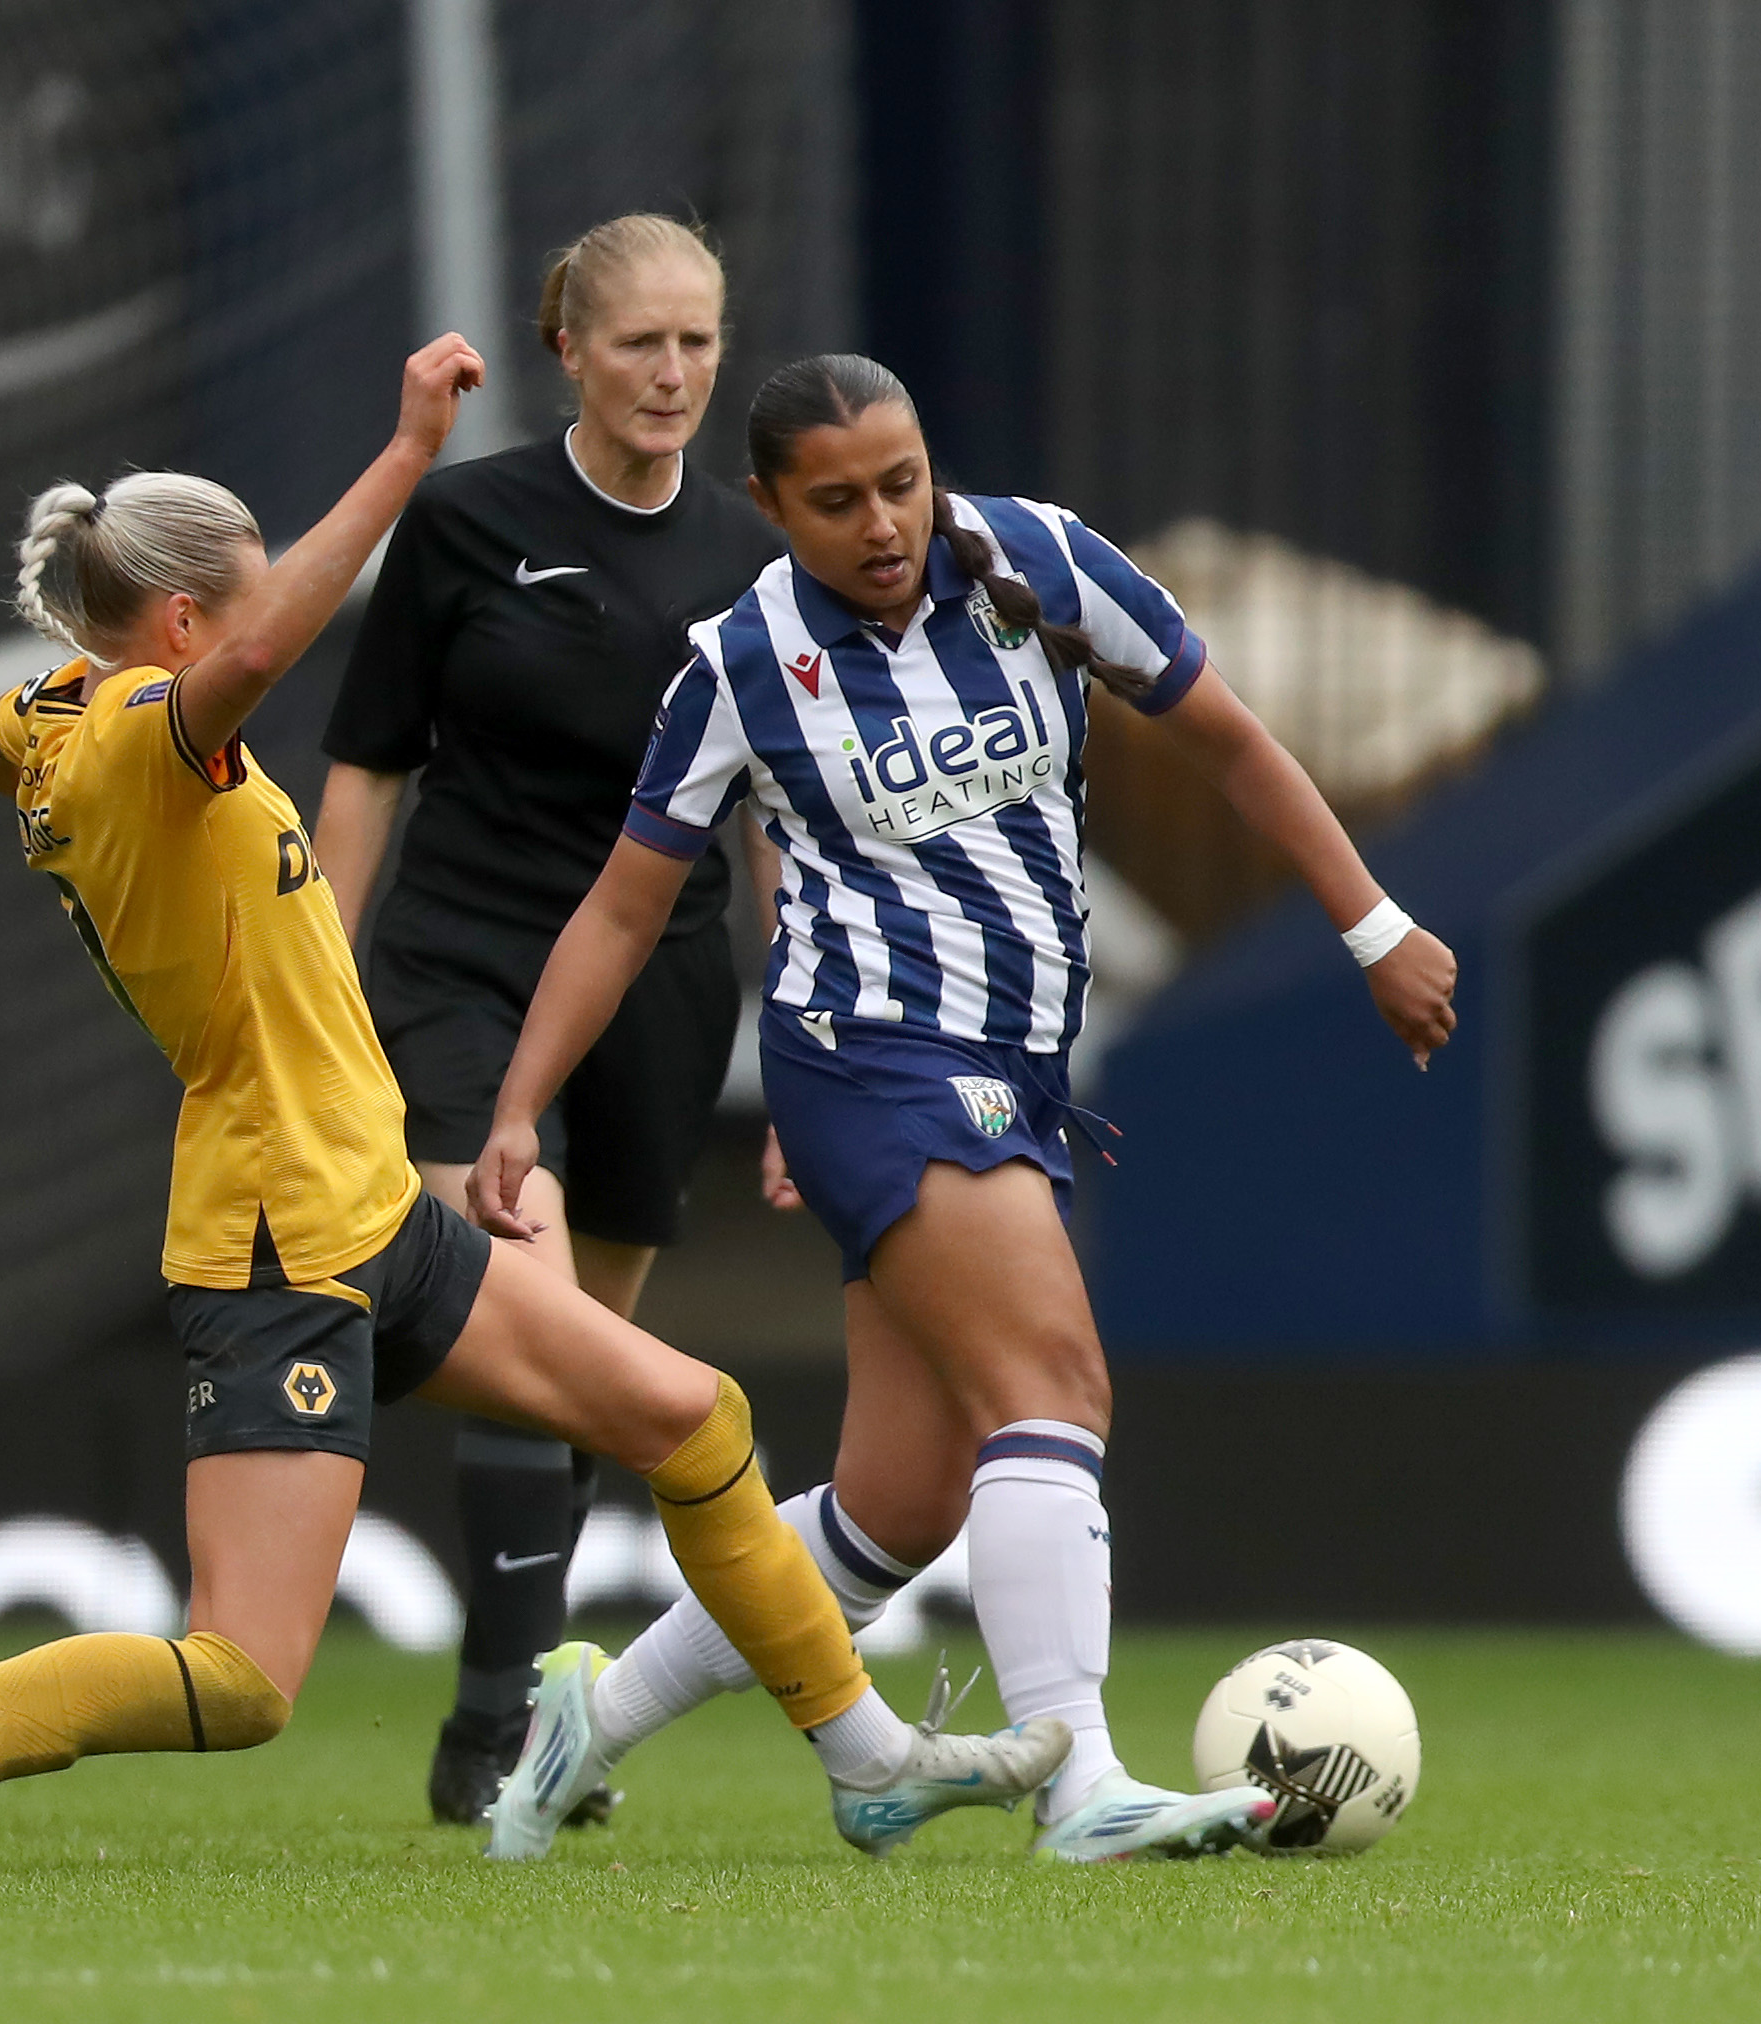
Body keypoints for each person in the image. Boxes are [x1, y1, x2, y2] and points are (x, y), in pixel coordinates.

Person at [0, 336, 1067, 1880]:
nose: (273, 610)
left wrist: (51, 699)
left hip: (368, 1209)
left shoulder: (53, 729)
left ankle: (867, 1762)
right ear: (190, 620)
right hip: (277, 1237)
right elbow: (257, 659)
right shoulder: (143, 741)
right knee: (241, 1681)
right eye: (249, 590)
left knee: (691, 1419)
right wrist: (408, 456)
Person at [469, 354, 1460, 1863]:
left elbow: (1229, 739)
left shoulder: (1043, 563)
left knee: (901, 1503)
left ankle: (581, 1728)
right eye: (835, 500)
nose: (880, 523)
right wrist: (518, 1111)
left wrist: (1374, 929)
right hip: (869, 1058)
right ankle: (1083, 1788)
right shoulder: (737, 664)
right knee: (1051, 1386)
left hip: (1015, 1071)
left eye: (900, 482)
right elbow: (621, 911)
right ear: (769, 509)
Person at [313, 215, 783, 1828]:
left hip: (657, 989)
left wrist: (799, 1047)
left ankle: (486, 1722)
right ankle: (512, 1724)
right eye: (639, 343)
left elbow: (779, 821)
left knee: (587, 1361)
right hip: (465, 963)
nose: (671, 375)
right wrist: (315, 970)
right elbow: (371, 756)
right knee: (524, 1323)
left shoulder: (752, 556)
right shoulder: (464, 522)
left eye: (697, 344)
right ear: (564, 350)